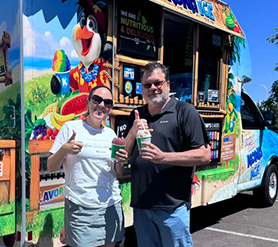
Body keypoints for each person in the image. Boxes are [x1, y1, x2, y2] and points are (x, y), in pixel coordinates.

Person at [124, 62, 211, 247]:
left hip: (172, 208)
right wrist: (132, 131)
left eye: (158, 83)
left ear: (168, 85)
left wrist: (163, 157)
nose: (153, 88)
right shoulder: (137, 115)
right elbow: (125, 154)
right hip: (141, 206)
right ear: (141, 88)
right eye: (147, 85)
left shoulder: (184, 112)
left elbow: (204, 155)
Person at [48, 85, 128, 247]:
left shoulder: (110, 134)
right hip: (80, 207)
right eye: (97, 100)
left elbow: (117, 173)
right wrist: (64, 149)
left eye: (107, 103)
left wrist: (120, 162)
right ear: (88, 103)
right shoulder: (70, 128)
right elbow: (51, 166)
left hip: (110, 206)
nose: (101, 105)